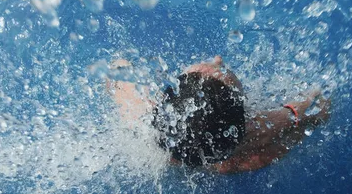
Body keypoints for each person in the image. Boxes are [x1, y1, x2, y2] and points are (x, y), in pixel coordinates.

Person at [105, 55, 331, 174]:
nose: (218, 58)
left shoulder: (140, 114)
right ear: (244, 117)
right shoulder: (252, 137)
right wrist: (310, 102)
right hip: (230, 155)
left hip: (168, 149)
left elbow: (117, 67)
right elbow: (307, 110)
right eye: (219, 69)